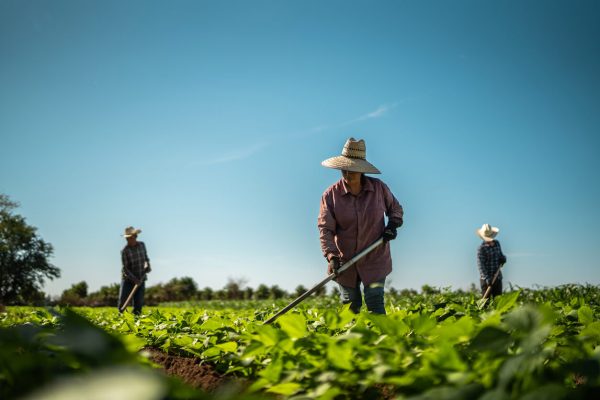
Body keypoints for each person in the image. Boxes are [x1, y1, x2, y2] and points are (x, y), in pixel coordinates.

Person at [318, 138, 404, 314]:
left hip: (375, 257)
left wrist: (392, 225)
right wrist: (332, 256)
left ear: (362, 170)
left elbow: (396, 209)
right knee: (350, 306)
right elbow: (325, 229)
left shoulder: (379, 189)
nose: (348, 175)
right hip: (345, 261)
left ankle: (382, 341)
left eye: (353, 171)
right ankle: (352, 340)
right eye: (344, 170)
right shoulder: (330, 195)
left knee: (375, 302)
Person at [119, 226, 151, 315]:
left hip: (141, 278)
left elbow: (146, 258)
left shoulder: (142, 245)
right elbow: (125, 268)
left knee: (138, 303)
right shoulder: (124, 251)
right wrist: (134, 279)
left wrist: (148, 266)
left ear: (135, 237)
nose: (128, 240)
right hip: (128, 279)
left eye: (130, 238)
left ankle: (136, 321)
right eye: (127, 239)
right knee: (123, 300)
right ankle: (121, 318)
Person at [476, 223, 507, 298]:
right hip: (486, 280)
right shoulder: (481, 249)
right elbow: (481, 265)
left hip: (497, 277)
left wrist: (503, 259)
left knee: (498, 300)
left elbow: (500, 256)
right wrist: (487, 278)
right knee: (486, 302)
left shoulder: (497, 244)